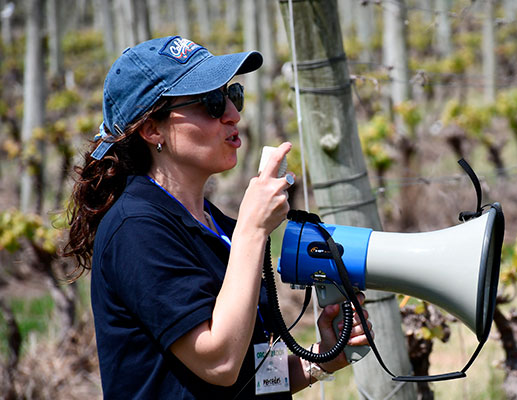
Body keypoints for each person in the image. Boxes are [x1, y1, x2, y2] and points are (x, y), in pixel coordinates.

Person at [63, 36, 371, 399]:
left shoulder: (216, 226)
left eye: (232, 95)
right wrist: (253, 231)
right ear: (152, 130)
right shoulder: (137, 228)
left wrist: (318, 360)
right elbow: (219, 363)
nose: (233, 113)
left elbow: (251, 372)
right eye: (211, 103)